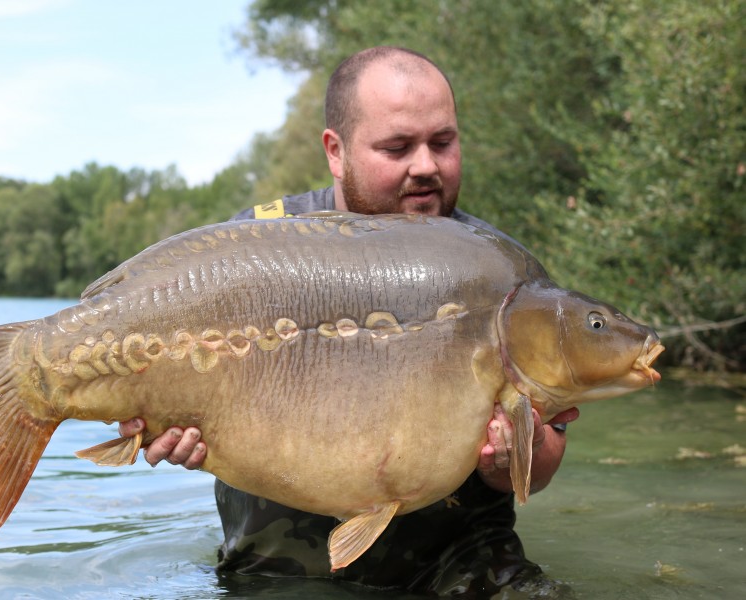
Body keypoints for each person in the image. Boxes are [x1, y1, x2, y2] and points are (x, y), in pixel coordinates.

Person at [118, 46, 579, 597]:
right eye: (398, 147)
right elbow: (165, 395)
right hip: (278, 570)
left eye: (443, 142)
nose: (426, 165)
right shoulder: (255, 249)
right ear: (336, 152)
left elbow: (543, 462)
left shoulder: (501, 270)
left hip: (460, 567)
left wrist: (509, 459)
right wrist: (167, 434)